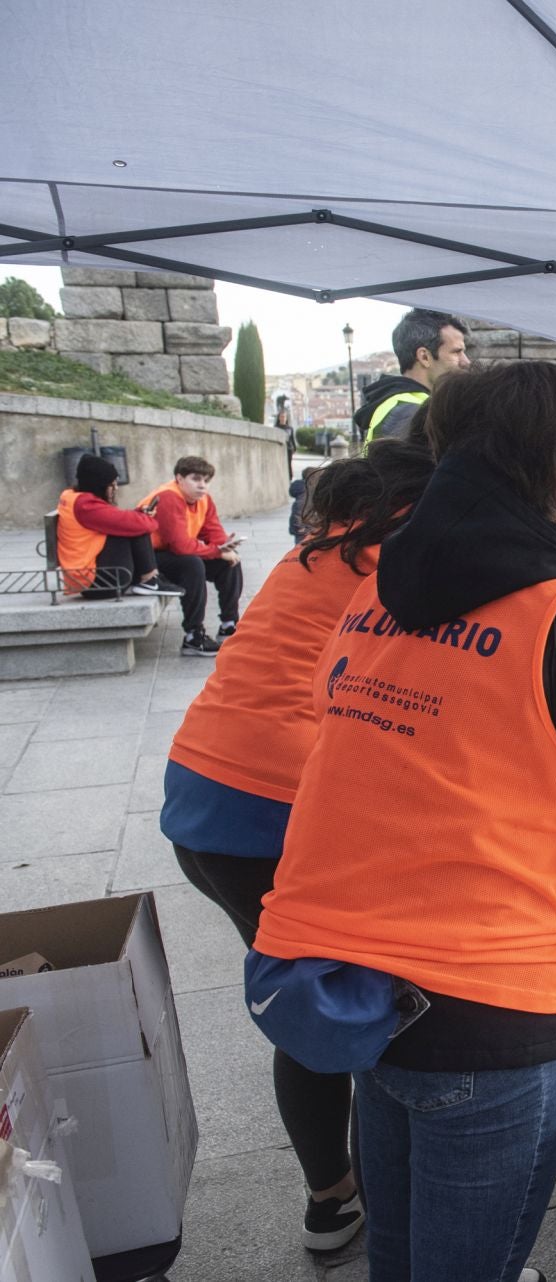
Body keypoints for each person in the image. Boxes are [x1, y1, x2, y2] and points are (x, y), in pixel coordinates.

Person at [252, 362, 556, 1282]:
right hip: (486, 999)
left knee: (403, 1249)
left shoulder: (378, 587)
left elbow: (366, 738)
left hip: (354, 982)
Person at [163, 438, 433, 1255]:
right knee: (333, 1005)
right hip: (270, 810)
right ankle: (384, 1211)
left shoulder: (317, 554)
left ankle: (333, 1199)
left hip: (200, 793)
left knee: (309, 997)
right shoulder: (398, 563)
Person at [143, 455, 244, 656]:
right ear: (179, 479)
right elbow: (180, 546)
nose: (202, 485)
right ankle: (193, 635)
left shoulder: (203, 499)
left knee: (230, 562)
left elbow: (213, 531)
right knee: (192, 565)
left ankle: (229, 624)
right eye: (196, 479)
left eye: (206, 481)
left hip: (172, 553)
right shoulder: (169, 497)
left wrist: (225, 547)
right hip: (149, 560)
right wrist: (216, 551)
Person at [54, 454, 177, 600]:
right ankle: (149, 580)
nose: (116, 488)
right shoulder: (85, 507)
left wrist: (139, 514)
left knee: (133, 523)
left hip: (86, 578)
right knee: (136, 527)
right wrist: (147, 519)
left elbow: (114, 517)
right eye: (112, 485)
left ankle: (150, 579)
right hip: (98, 584)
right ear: (98, 485)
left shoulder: (73, 496)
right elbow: (138, 524)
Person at [353, 309, 470, 446]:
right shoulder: (410, 413)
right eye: (456, 352)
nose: (466, 361)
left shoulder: (400, 404)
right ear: (424, 357)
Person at [276, 394, 296, 477]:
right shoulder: (276, 428)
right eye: (281, 417)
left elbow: (292, 439)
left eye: (284, 417)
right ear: (279, 418)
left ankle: (290, 476)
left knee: (288, 462)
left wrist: (294, 448)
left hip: (289, 448)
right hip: (281, 447)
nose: (283, 418)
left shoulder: (289, 428)